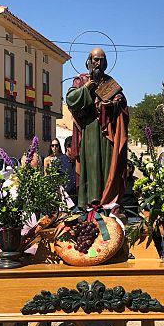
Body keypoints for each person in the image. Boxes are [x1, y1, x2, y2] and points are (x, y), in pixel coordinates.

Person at [66, 47, 129, 209]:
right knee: (92, 162)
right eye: (95, 59)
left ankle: (107, 199)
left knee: (108, 163)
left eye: (101, 60)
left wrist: (114, 104)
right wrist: (87, 88)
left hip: (107, 130)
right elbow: (71, 99)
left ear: (105, 62)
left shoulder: (109, 82)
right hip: (90, 129)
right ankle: (91, 199)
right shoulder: (81, 80)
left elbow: (121, 102)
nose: (98, 63)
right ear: (89, 61)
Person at [9, 152, 54, 326]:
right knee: (19, 288)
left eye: (35, 160)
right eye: (29, 160)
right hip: (19, 243)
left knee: (43, 287)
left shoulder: (46, 185)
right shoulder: (13, 186)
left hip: (41, 244)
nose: (32, 163)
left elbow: (58, 210)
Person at [59, 136, 77, 204]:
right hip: (65, 201)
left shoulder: (79, 161)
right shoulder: (59, 162)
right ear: (68, 148)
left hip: (78, 200)